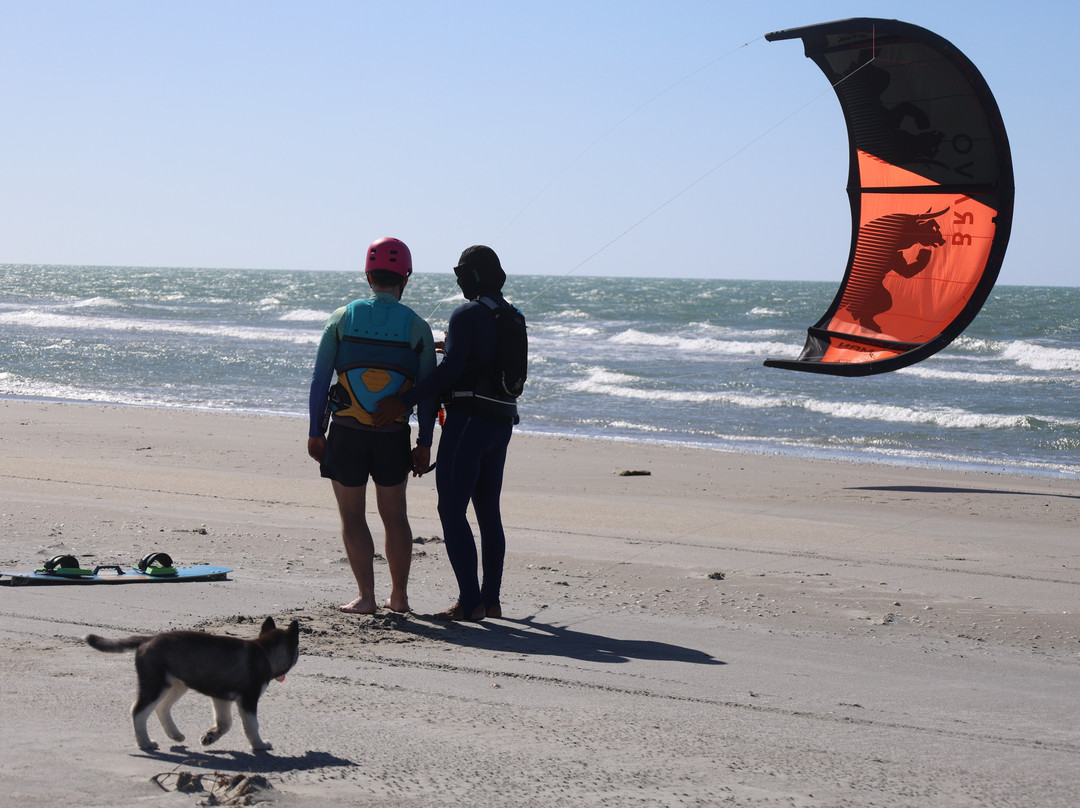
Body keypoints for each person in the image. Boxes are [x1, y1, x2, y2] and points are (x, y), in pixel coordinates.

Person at [373, 245, 521, 622]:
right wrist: (452, 349)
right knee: (488, 512)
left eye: (460, 273)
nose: (457, 281)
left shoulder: (468, 313)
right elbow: (484, 362)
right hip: (501, 423)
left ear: (471, 275)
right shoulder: (513, 315)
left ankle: (469, 602)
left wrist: (402, 400)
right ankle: (491, 600)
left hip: (468, 422)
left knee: (451, 509)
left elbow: (450, 372)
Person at [307, 237, 437, 615]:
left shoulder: (341, 317)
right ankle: (399, 598)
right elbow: (427, 393)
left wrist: (316, 431)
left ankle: (366, 597)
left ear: (367, 274)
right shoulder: (417, 327)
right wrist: (425, 441)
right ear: (406, 277)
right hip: (393, 435)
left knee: (351, 515)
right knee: (395, 514)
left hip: (347, 432)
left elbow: (319, 380)